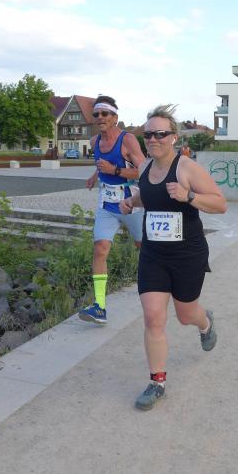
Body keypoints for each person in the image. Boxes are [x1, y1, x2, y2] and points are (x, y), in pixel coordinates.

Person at [119, 104, 227, 410]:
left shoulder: (187, 169)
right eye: (148, 134)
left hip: (187, 255)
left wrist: (188, 196)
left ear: (174, 137)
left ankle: (205, 323)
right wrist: (131, 202)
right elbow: (147, 195)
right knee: (153, 317)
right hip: (153, 254)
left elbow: (220, 204)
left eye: (160, 134)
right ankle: (157, 383)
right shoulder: (143, 168)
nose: (153, 139)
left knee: (185, 315)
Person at [79, 95, 147, 324]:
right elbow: (102, 164)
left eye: (105, 114)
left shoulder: (128, 140)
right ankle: (99, 306)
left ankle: (161, 283)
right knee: (100, 248)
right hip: (106, 205)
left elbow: (145, 171)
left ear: (115, 117)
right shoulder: (94, 142)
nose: (100, 117)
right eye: (96, 114)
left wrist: (115, 170)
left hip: (131, 204)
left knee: (144, 248)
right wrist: (95, 174)